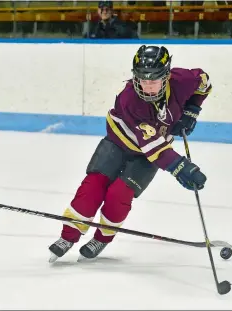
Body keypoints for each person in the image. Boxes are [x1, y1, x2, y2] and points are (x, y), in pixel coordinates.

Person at [48, 45, 211, 262]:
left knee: (119, 195)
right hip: (119, 143)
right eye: (142, 79)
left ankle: (102, 238)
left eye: (153, 80)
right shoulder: (130, 99)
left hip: (148, 155)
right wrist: (180, 167)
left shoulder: (182, 80)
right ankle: (69, 235)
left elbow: (204, 81)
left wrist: (192, 110)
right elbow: (153, 145)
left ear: (167, 75)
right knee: (93, 186)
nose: (147, 86)